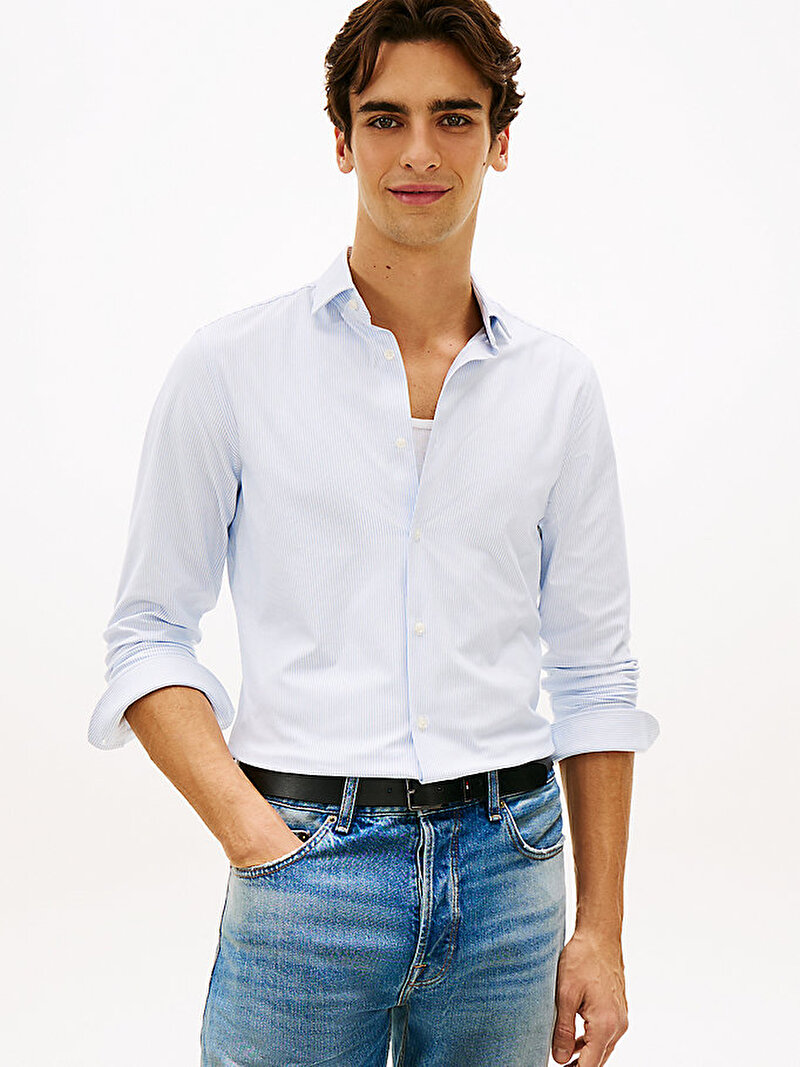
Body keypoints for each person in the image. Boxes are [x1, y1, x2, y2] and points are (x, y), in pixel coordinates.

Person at [88, 1, 660, 1064]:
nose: (419, 152)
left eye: (454, 117)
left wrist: (601, 927)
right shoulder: (231, 367)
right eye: (385, 117)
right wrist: (258, 836)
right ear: (343, 140)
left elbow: (593, 669)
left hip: (512, 872)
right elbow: (147, 633)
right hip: (306, 872)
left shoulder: (557, 386)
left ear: (499, 140)